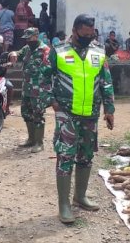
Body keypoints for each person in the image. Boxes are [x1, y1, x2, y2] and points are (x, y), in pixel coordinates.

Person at [47, 14, 115, 224]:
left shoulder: (98, 51)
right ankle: (64, 205)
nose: (89, 37)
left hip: (90, 114)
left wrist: (109, 109)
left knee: (86, 156)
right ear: (75, 29)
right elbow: (44, 78)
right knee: (65, 157)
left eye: (91, 33)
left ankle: (80, 196)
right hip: (67, 113)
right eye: (85, 33)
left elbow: (106, 82)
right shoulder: (58, 51)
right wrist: (52, 101)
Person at [8, 27, 52, 153]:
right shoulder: (27, 49)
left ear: (36, 36)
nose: (27, 40)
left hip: (39, 88)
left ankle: (39, 143)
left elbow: (49, 68)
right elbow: (18, 53)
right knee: (26, 112)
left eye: (29, 38)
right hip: (27, 87)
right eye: (26, 38)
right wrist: (13, 54)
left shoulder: (45, 50)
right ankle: (31, 139)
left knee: (38, 114)